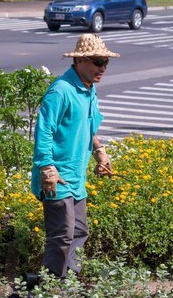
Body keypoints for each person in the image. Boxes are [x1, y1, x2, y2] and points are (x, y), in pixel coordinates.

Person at [30, 34, 117, 280]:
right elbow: (44, 132)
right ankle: (51, 285)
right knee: (62, 235)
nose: (102, 68)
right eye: (98, 62)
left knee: (79, 231)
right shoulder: (61, 90)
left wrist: (99, 151)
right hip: (57, 176)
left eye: (106, 63)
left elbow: (86, 128)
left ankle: (69, 280)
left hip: (77, 177)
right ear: (80, 60)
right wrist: (47, 167)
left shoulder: (89, 89)